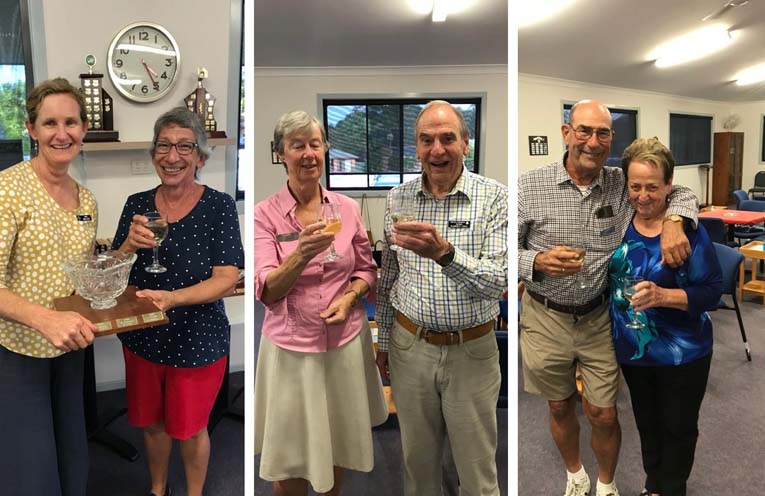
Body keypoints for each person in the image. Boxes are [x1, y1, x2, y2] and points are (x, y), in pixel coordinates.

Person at [517, 99, 699, 496]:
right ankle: (575, 475)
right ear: (566, 133)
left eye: (603, 133)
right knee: (559, 405)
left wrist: (674, 220)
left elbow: (680, 189)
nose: (593, 141)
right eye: (584, 130)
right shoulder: (528, 186)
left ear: (611, 139)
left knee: (603, 411)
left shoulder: (620, 182)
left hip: (600, 315)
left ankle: (606, 483)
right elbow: (502, 252)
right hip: (545, 315)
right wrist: (536, 261)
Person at [375, 100, 508, 496]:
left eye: (448, 138)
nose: (437, 149)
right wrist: (385, 341)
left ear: (465, 144)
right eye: (426, 140)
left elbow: (497, 282)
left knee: (477, 471)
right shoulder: (397, 199)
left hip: (471, 352)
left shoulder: (494, 197)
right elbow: (389, 277)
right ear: (416, 147)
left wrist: (445, 254)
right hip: (409, 347)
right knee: (418, 465)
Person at [254, 110, 387, 496]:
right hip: (292, 352)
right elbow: (267, 291)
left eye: (315, 144)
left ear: (325, 150)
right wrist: (301, 254)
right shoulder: (265, 214)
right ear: (280, 154)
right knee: (291, 457)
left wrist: (350, 297)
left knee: (337, 444)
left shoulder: (346, 208)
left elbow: (366, 270)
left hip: (345, 344)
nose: (308, 153)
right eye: (297, 145)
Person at [112, 108, 243, 496]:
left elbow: (227, 278)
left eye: (184, 146)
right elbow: (114, 272)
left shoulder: (218, 206)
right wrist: (127, 246)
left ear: (200, 157)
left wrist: (173, 299)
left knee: (190, 428)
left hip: (197, 340)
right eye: (164, 146)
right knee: (152, 424)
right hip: (144, 336)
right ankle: (158, 489)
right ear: (154, 154)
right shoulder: (137, 204)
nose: (172, 156)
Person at [0, 78, 98, 495]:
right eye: (50, 123)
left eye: (71, 122)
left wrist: (125, 253)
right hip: (18, 350)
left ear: (84, 129)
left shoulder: (86, 199)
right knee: (32, 466)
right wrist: (44, 320)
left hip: (70, 348)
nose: (62, 133)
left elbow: (82, 271)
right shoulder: (8, 190)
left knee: (73, 453)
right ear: (31, 129)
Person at [609, 138, 721, 496]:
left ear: (669, 185)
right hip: (634, 349)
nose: (643, 196)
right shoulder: (621, 222)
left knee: (678, 428)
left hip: (683, 352)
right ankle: (653, 485)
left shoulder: (687, 232)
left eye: (652, 187)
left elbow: (712, 292)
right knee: (647, 424)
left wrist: (662, 296)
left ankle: (672, 489)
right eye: (635, 187)